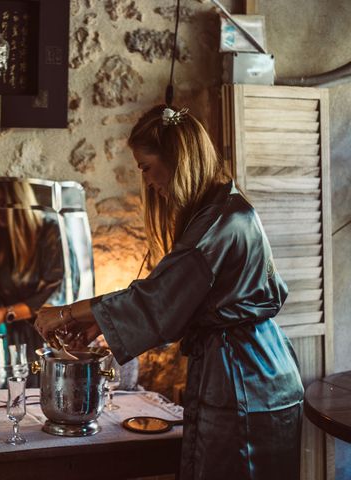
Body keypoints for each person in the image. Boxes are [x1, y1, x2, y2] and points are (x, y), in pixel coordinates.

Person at [35, 105, 304, 480]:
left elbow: (158, 299)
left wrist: (68, 312)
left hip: (244, 380)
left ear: (176, 158)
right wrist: (98, 324)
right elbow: (173, 302)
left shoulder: (218, 224)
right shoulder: (221, 209)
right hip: (257, 371)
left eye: (145, 166)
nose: (145, 180)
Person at [0, 181, 65, 359]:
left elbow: (54, 292)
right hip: (17, 341)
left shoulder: (50, 232)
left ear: (20, 200)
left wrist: (6, 313)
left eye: (1, 203)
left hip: (52, 335)